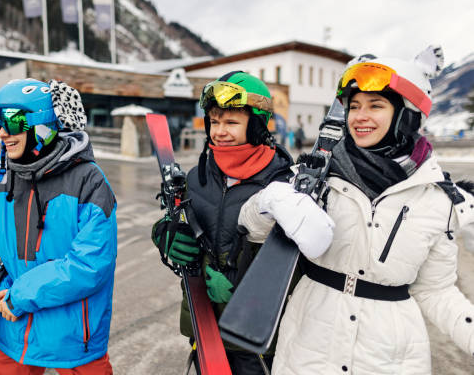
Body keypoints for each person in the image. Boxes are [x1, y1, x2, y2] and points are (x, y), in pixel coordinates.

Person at [246, 46, 474, 374]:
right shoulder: (315, 175)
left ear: (408, 115)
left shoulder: (435, 198)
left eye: (375, 105)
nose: (359, 116)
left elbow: (435, 290)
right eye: (354, 106)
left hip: (390, 359)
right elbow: (252, 228)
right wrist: (268, 201)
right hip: (309, 351)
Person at [151, 71, 333, 374]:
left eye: (232, 122)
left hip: (260, 338)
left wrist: (239, 285)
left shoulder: (285, 185)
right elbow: (180, 220)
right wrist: (165, 233)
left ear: (258, 125)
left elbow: (297, 263)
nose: (220, 131)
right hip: (205, 324)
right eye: (215, 121)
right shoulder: (198, 177)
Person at [0, 79, 117, 375]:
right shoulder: (3, 181)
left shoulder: (88, 182)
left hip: (72, 338)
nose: (2, 132)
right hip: (10, 333)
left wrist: (20, 296)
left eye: (12, 121)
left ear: (41, 123)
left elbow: (89, 265)